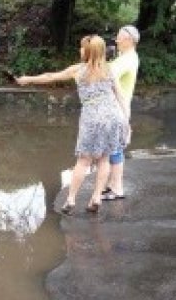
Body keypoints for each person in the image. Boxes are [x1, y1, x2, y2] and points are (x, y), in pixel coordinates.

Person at [16, 35, 129, 214]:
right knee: (105, 158)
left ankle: (71, 199)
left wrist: (28, 79)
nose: (80, 50)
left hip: (92, 116)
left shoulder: (79, 70)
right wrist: (126, 121)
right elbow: (120, 96)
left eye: (82, 47)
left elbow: (50, 76)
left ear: (89, 51)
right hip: (113, 116)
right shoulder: (109, 70)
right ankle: (97, 197)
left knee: (84, 160)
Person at [102, 25, 140, 201]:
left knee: (115, 150)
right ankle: (111, 185)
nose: (116, 40)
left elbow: (107, 75)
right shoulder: (125, 57)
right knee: (112, 149)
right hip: (115, 109)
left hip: (117, 110)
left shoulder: (127, 59)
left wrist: (98, 59)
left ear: (128, 40)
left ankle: (117, 188)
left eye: (118, 37)